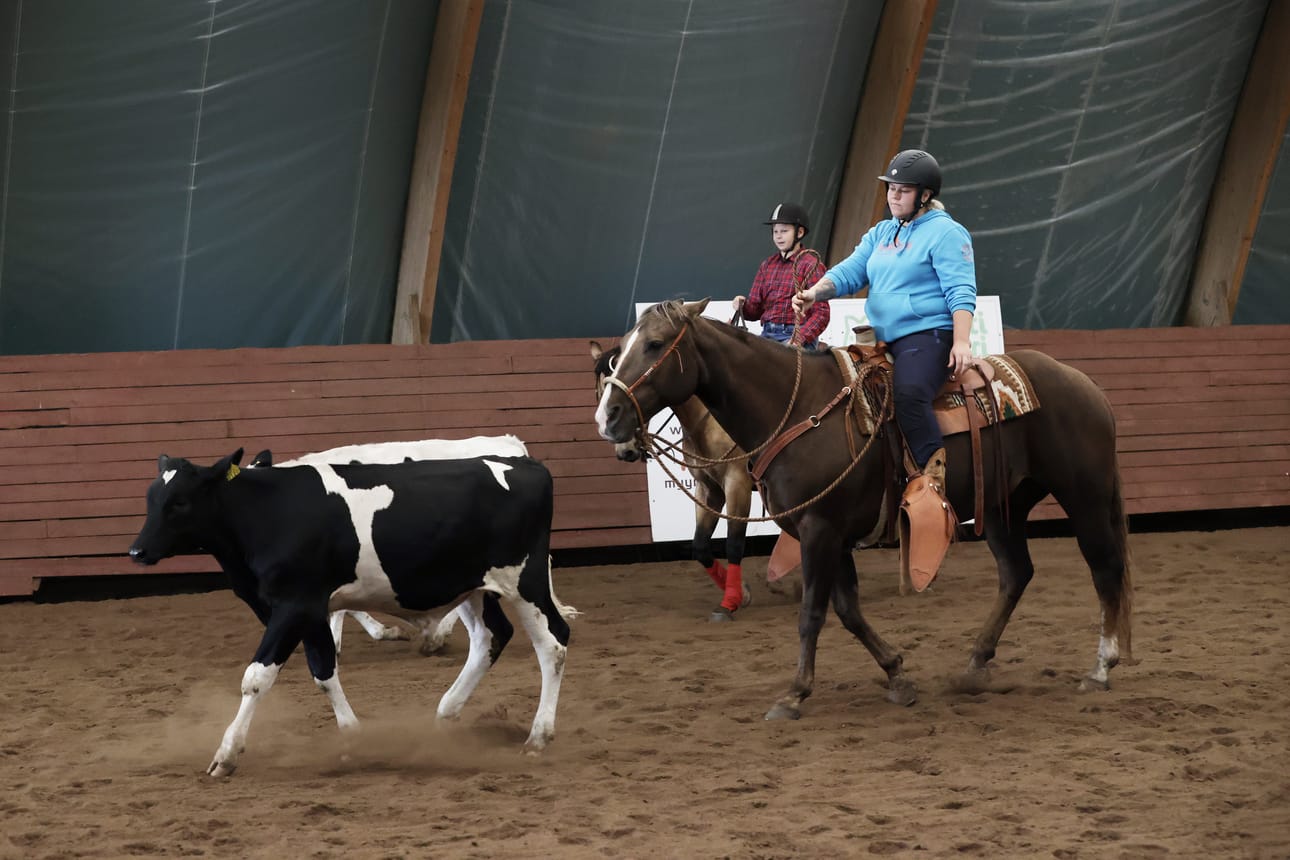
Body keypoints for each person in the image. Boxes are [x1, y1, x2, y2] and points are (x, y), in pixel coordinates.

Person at [792, 149, 976, 489]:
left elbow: (961, 291)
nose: (893, 195)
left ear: (925, 195)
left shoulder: (947, 233)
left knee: (909, 394)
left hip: (928, 335)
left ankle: (931, 478)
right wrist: (814, 292)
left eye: (903, 190)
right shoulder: (881, 232)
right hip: (880, 338)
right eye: (891, 188)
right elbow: (850, 271)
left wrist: (961, 341)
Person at [733, 202, 830, 350]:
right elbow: (754, 311)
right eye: (775, 231)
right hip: (767, 334)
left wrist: (798, 339)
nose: (778, 236)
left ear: (800, 233)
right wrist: (742, 306)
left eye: (784, 231)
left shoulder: (811, 264)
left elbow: (822, 313)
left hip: (795, 335)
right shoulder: (767, 265)